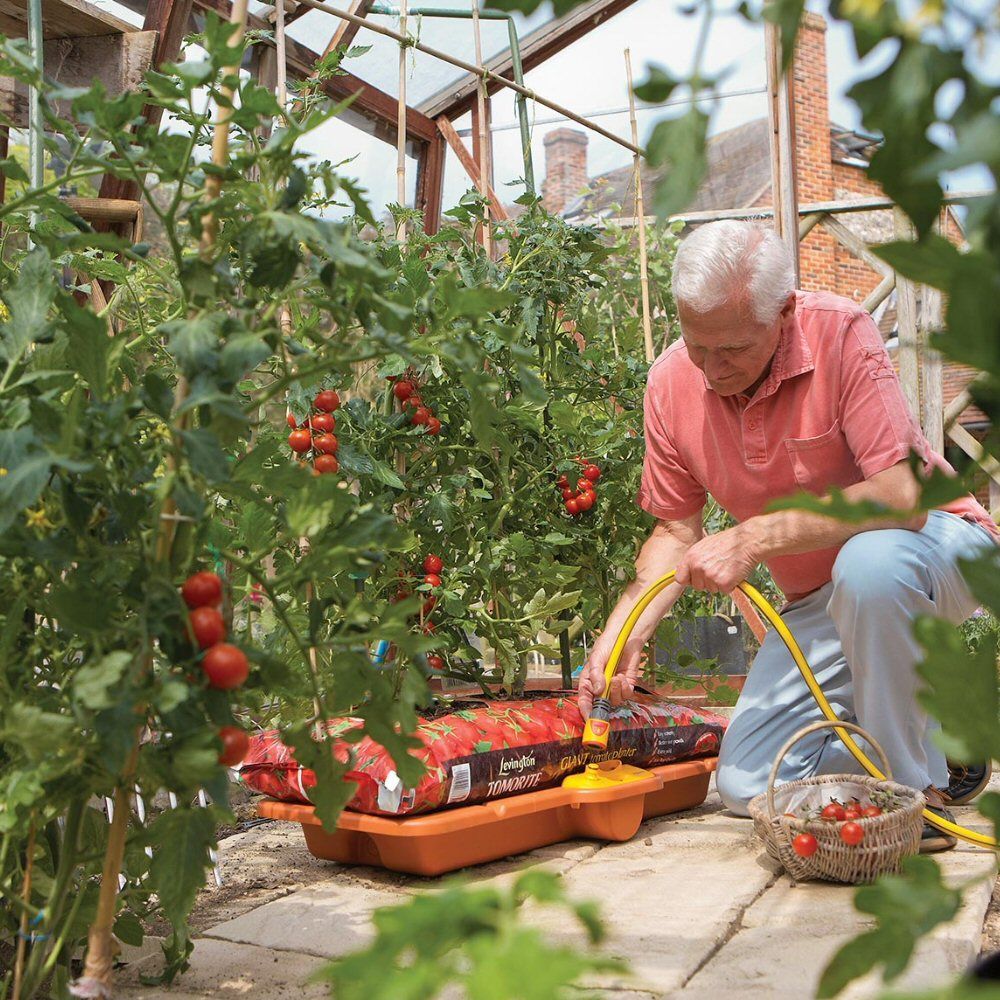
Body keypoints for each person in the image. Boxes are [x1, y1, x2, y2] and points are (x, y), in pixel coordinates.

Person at [578, 220, 998, 852]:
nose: (713, 369)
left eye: (734, 349)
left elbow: (900, 498)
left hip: (936, 547)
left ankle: (916, 800)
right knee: (750, 784)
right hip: (823, 601)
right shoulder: (670, 384)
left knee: (872, 564)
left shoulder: (840, 333)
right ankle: (937, 741)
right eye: (698, 346)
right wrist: (621, 638)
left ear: (784, 312)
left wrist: (752, 539)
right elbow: (674, 530)